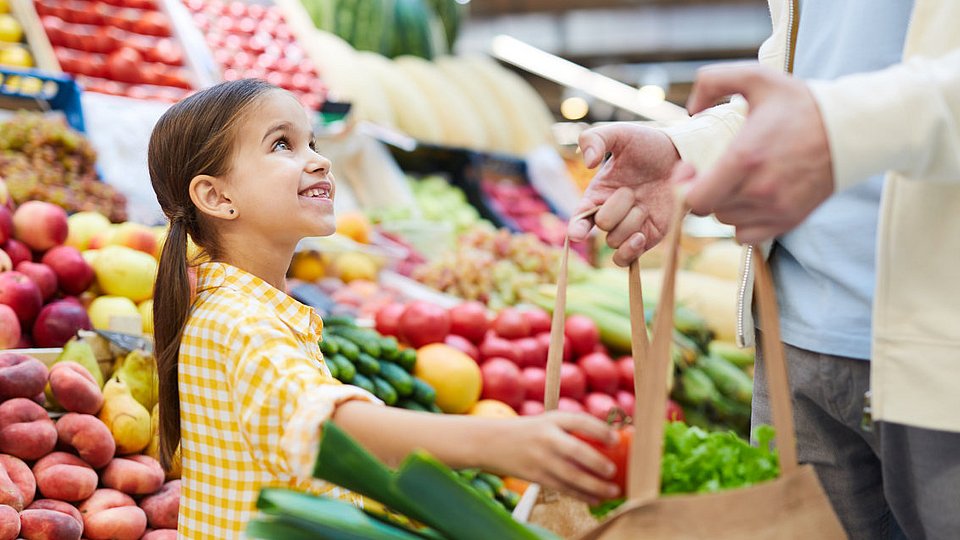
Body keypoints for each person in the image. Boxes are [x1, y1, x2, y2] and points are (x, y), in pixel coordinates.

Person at [148, 79, 621, 538]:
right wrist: (503, 444)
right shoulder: (237, 319)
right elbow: (327, 425)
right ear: (216, 197)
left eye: (312, 142)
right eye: (281, 145)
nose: (319, 161)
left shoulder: (248, 308)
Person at [568, 2, 960, 539]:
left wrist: (836, 128)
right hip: (793, 343)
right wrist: (687, 150)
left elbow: (832, 110)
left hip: (942, 348)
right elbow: (805, 79)